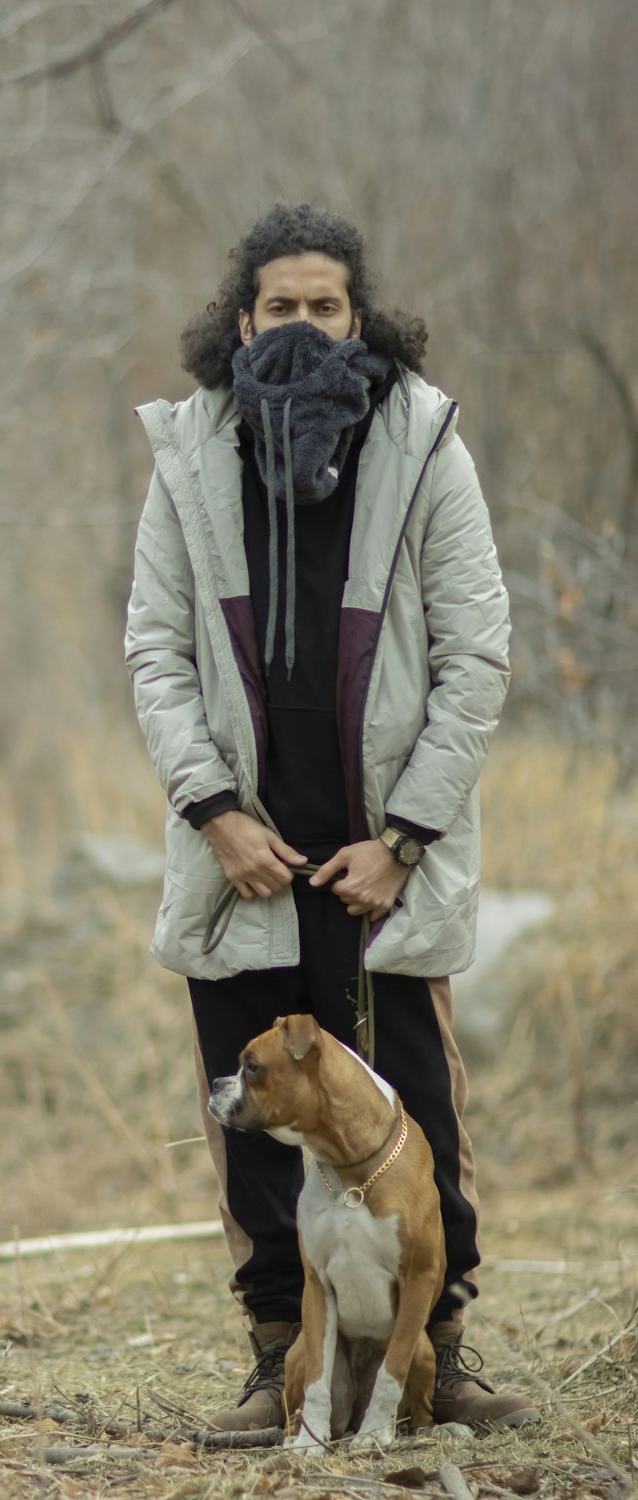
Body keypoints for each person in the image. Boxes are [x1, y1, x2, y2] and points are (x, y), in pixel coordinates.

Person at [124, 203, 540, 1433]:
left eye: (324, 307)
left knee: (414, 1098)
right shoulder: (188, 449)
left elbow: (478, 657)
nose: (299, 328)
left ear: (361, 321)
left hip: (384, 855)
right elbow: (154, 650)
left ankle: (434, 1359)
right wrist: (210, 813)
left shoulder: (424, 443)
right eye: (277, 307)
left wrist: (406, 835)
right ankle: (280, 1363)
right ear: (237, 320)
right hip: (240, 853)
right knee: (253, 1108)